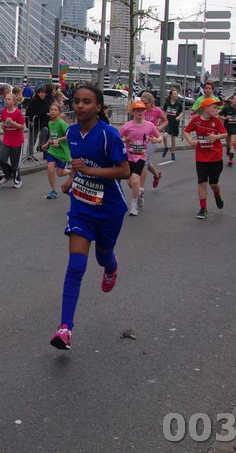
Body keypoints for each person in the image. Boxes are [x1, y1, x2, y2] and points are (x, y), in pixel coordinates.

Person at [50, 85, 130, 350]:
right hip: (82, 207)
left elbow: (125, 171)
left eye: (86, 102)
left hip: (109, 209)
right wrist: (72, 179)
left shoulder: (109, 135)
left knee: (102, 256)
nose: (80, 106)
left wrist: (88, 172)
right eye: (77, 101)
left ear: (98, 107)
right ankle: (65, 329)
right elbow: (79, 163)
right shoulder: (72, 133)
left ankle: (111, 266)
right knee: (76, 265)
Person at [184, 98, 227, 219]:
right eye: (214, 108)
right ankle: (203, 209)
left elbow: (225, 133)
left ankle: (217, 194)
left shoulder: (216, 121)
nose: (217, 110)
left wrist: (215, 137)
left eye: (217, 108)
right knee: (202, 182)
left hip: (215, 157)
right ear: (206, 109)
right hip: (201, 157)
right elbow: (186, 131)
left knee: (213, 184)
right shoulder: (196, 120)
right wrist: (190, 141)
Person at [118, 100, 162, 216]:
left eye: (142, 110)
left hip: (141, 157)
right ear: (133, 112)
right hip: (129, 157)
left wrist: (156, 140)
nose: (140, 112)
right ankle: (140, 192)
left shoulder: (149, 125)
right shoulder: (127, 126)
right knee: (130, 182)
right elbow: (117, 138)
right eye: (137, 110)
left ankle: (133, 207)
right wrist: (125, 140)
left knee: (135, 180)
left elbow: (160, 137)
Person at [42, 101, 71, 200]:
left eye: (55, 110)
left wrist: (59, 140)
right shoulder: (50, 123)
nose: (53, 111)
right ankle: (53, 191)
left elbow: (68, 136)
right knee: (50, 169)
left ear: (59, 112)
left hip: (62, 151)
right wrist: (47, 144)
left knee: (60, 173)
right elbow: (53, 135)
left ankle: (72, 172)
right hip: (53, 150)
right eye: (51, 110)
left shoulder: (61, 123)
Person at [0, 92, 26, 188]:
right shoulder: (3, 111)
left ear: (14, 102)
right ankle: (8, 174)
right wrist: (3, 126)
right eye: (6, 99)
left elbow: (22, 127)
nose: (7, 101)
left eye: (9, 99)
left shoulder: (18, 112)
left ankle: (17, 180)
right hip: (6, 140)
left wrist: (12, 122)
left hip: (17, 141)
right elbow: (4, 124)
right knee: (1, 159)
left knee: (15, 163)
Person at [140, 92, 165, 189]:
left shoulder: (156, 110)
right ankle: (157, 175)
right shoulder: (140, 110)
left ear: (151, 102)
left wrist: (159, 128)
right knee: (144, 159)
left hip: (152, 139)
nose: (143, 105)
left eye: (145, 103)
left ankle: (140, 189)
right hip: (140, 138)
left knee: (144, 161)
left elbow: (165, 121)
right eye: (142, 103)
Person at [25, 84, 51, 158]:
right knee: (32, 138)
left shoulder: (45, 101)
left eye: (44, 93)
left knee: (45, 130)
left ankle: (40, 145)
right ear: (38, 93)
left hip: (41, 122)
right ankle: (30, 155)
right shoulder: (34, 101)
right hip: (33, 122)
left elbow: (46, 109)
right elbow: (36, 112)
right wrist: (46, 114)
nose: (43, 94)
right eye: (41, 93)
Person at [219, 93, 236, 167]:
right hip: (227, 127)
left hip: (235, 127)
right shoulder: (226, 108)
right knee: (228, 142)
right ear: (231, 100)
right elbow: (219, 115)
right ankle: (228, 149)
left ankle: (230, 159)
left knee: (232, 142)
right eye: (234, 99)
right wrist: (225, 118)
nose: (235, 101)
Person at [160, 87, 182, 161]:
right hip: (168, 122)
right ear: (171, 95)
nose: (176, 95)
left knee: (173, 139)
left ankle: (173, 153)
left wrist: (179, 117)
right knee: (164, 135)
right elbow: (164, 111)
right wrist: (163, 118)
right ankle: (166, 147)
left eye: (177, 94)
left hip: (175, 123)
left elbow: (181, 112)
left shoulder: (179, 104)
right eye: (175, 94)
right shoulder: (167, 103)